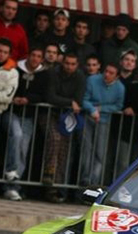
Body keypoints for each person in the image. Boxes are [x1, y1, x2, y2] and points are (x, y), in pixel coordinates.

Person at [3, 45, 47, 200]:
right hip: (12, 112)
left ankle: (13, 187)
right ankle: (10, 174)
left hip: (29, 116)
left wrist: (28, 99)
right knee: (16, 135)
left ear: (41, 59)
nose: (35, 59)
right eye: (33, 55)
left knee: (23, 149)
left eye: (38, 56)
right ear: (28, 56)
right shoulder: (16, 69)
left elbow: (44, 94)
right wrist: (14, 98)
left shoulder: (44, 74)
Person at [43, 52, 86, 202]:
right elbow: (50, 97)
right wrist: (69, 102)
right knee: (54, 139)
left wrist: (70, 102)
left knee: (63, 150)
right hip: (49, 114)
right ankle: (49, 174)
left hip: (67, 117)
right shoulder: (53, 73)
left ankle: (57, 188)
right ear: (62, 63)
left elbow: (79, 99)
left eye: (73, 64)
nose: (69, 66)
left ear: (77, 65)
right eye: (67, 63)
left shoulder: (80, 77)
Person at [81, 62, 125, 186]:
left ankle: (93, 181)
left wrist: (101, 109)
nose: (107, 75)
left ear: (117, 77)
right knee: (87, 150)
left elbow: (118, 106)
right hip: (88, 118)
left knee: (100, 152)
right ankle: (85, 179)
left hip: (104, 121)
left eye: (111, 73)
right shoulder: (92, 80)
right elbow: (84, 99)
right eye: (106, 71)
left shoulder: (120, 88)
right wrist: (92, 110)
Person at [0, 37, 19, 199]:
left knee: (16, 133)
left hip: (3, 111)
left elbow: (7, 96)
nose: (2, 54)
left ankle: (11, 172)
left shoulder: (13, 72)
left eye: (5, 52)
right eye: (0, 51)